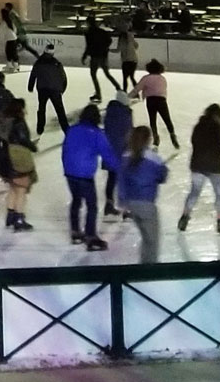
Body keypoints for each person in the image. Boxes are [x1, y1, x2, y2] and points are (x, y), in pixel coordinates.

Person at [60, 104, 119, 251]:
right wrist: (120, 168)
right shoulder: (97, 134)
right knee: (92, 205)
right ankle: (90, 235)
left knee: (76, 200)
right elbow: (108, 155)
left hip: (70, 172)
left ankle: (75, 231)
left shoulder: (72, 130)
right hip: (84, 174)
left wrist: (67, 168)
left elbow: (65, 149)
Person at [177, 104, 220, 234]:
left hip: (198, 165)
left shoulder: (198, 127)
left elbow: (194, 142)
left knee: (194, 193)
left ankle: (185, 216)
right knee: (219, 195)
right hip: (214, 167)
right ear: (218, 115)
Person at [117, 125, 170, 264]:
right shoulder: (153, 158)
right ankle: (149, 272)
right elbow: (163, 176)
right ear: (148, 139)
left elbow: (121, 178)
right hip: (146, 204)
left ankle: (144, 266)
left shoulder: (125, 156)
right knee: (152, 241)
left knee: (147, 238)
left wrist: (122, 201)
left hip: (130, 204)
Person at [0, 100, 37, 231]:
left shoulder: (5, 122)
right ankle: (19, 219)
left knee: (13, 188)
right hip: (18, 158)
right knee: (21, 190)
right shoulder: (19, 123)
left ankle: (10, 216)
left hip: (6, 157)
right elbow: (23, 139)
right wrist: (33, 146)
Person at [131, 59, 179, 148]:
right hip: (161, 100)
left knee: (152, 120)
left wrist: (127, 97)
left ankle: (156, 137)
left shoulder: (146, 78)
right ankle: (172, 134)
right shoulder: (162, 78)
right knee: (167, 119)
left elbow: (137, 89)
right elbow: (163, 90)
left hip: (151, 100)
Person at [101, 92, 133, 215]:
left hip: (109, 151)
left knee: (112, 179)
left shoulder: (109, 113)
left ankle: (109, 205)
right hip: (122, 152)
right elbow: (128, 133)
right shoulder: (126, 113)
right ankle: (126, 210)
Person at [27, 43, 70, 135]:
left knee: (41, 108)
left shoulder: (39, 62)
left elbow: (33, 75)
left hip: (42, 89)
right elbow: (63, 77)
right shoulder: (57, 63)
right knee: (60, 110)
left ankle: (40, 128)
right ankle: (66, 129)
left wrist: (30, 86)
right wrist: (62, 89)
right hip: (55, 90)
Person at [81, 17, 118, 97]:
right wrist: (105, 48)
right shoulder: (102, 31)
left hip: (95, 56)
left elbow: (89, 46)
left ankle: (98, 93)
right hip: (103, 55)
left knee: (93, 74)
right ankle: (118, 88)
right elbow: (109, 40)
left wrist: (84, 56)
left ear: (88, 23)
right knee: (107, 74)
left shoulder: (88, 33)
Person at [117, 26, 139, 91]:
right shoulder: (131, 39)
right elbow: (136, 46)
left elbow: (118, 50)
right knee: (132, 77)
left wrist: (109, 50)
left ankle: (124, 91)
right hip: (133, 60)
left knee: (125, 78)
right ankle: (136, 92)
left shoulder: (121, 41)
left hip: (126, 61)